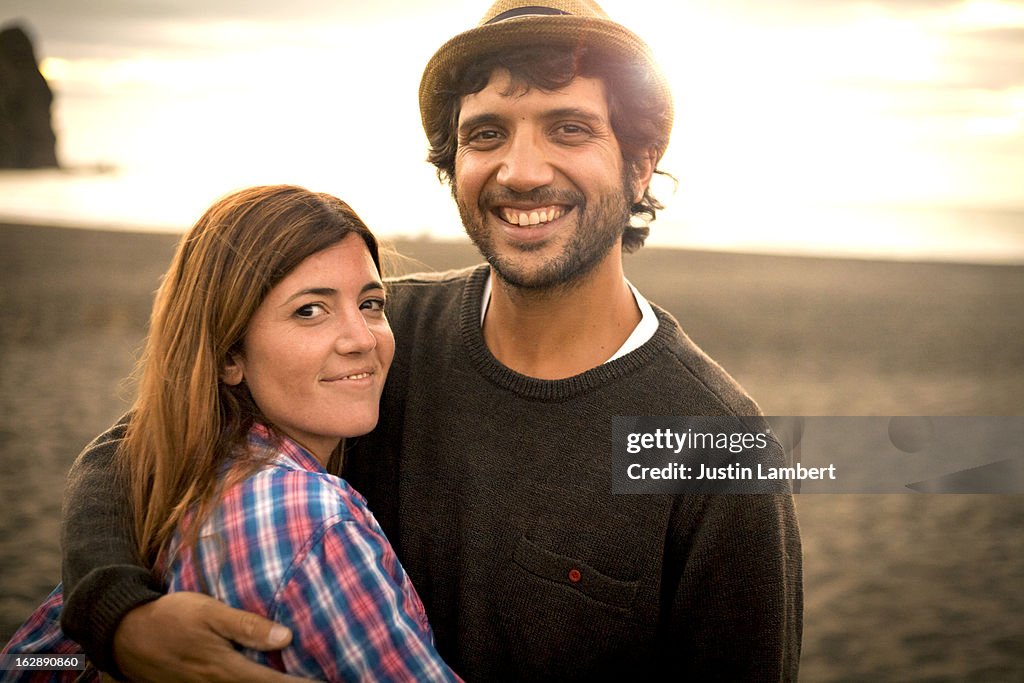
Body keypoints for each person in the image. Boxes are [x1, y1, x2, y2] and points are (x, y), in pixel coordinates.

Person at [57, 1, 803, 681]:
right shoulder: (382, 338)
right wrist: (119, 616)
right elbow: (137, 447)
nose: (520, 170)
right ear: (454, 168)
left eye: (569, 127)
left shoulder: (718, 444)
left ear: (639, 166)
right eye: (486, 134)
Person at [2, 186, 461, 682]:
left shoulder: (181, 474)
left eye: (371, 303)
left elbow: (28, 661)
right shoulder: (307, 518)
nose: (362, 338)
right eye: (310, 310)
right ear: (228, 356)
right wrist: (116, 624)